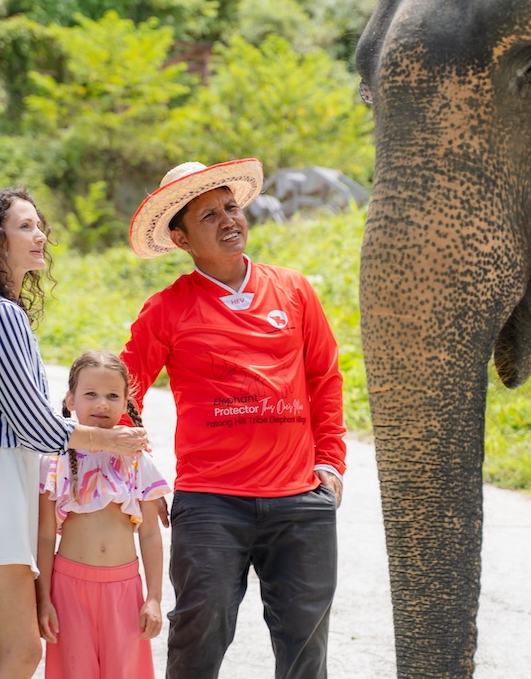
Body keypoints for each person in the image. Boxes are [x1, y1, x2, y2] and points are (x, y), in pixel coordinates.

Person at [121, 158, 348, 679]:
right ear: (180, 238)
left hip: (300, 501)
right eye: (209, 216)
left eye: (231, 207)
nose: (229, 220)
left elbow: (324, 377)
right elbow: (123, 392)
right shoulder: (166, 309)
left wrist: (330, 462)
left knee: (306, 650)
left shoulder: (293, 290)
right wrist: (139, 473)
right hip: (211, 504)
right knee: (199, 637)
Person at [0, 189, 150, 679]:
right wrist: (108, 440)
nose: (40, 236)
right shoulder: (1, 314)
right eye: (24, 227)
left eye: (39, 225)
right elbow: (34, 426)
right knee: (21, 651)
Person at [36, 351, 170, 679]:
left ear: (126, 403)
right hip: (67, 590)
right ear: (70, 400)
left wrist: (153, 598)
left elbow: (150, 533)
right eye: (90, 394)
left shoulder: (137, 460)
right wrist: (43, 599)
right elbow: (44, 535)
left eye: (112, 396)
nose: (102, 404)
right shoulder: (53, 461)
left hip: (124, 590)